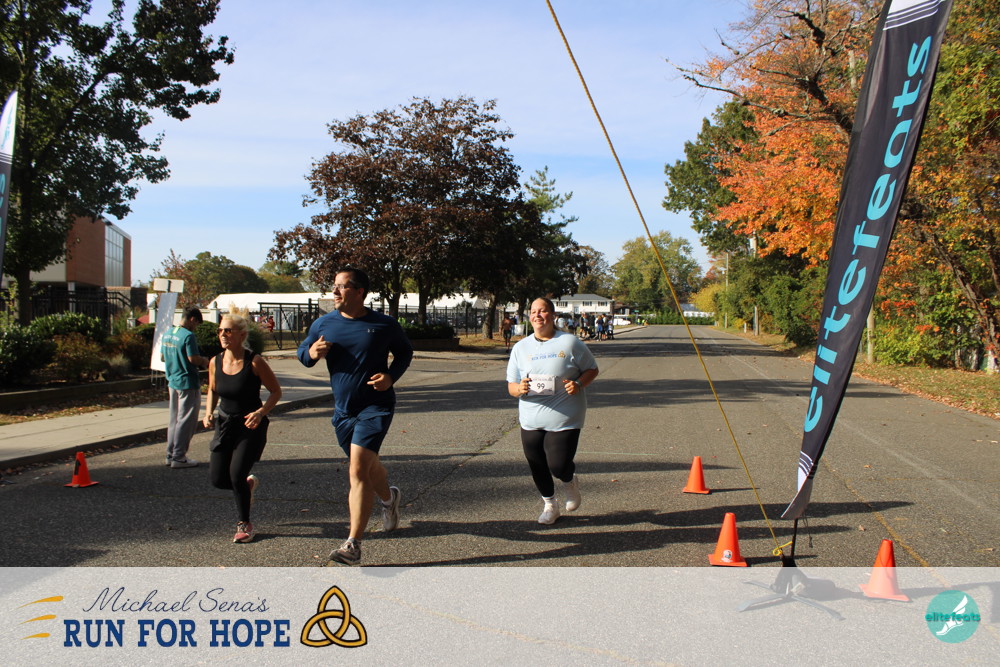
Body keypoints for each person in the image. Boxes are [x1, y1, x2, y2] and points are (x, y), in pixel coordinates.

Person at [297, 267, 414, 565]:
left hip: (376, 406)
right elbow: (303, 353)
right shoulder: (324, 323)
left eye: (342, 286)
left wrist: (390, 377)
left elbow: (404, 353)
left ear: (360, 291)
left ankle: (353, 545)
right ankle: (389, 499)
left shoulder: (383, 324)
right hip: (343, 411)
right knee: (369, 468)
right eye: (334, 286)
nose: (335, 291)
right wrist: (312, 353)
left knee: (357, 470)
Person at [506, 297, 599, 524]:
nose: (537, 315)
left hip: (564, 415)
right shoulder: (520, 348)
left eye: (543, 311)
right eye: (534, 311)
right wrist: (519, 389)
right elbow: (511, 386)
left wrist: (578, 384)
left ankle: (569, 480)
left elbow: (592, 369)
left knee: (557, 465)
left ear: (553, 315)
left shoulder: (569, 342)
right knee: (536, 464)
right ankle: (550, 505)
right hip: (531, 417)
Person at [203, 313, 282, 543]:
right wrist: (208, 412)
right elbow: (213, 390)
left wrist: (260, 412)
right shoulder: (215, 361)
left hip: (250, 425)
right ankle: (247, 487)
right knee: (218, 479)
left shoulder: (254, 362)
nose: (223, 335)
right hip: (225, 424)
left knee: (236, 474)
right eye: (220, 331)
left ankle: (244, 523)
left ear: (241, 334)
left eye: (228, 331)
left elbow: (276, 392)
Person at [161, 307, 209, 468]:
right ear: (192, 319)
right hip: (187, 381)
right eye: (197, 324)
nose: (196, 328)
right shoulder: (188, 336)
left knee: (174, 419)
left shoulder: (168, 333)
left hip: (172, 380)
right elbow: (193, 359)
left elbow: (162, 356)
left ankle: (170, 454)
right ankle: (179, 457)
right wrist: (205, 361)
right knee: (186, 421)